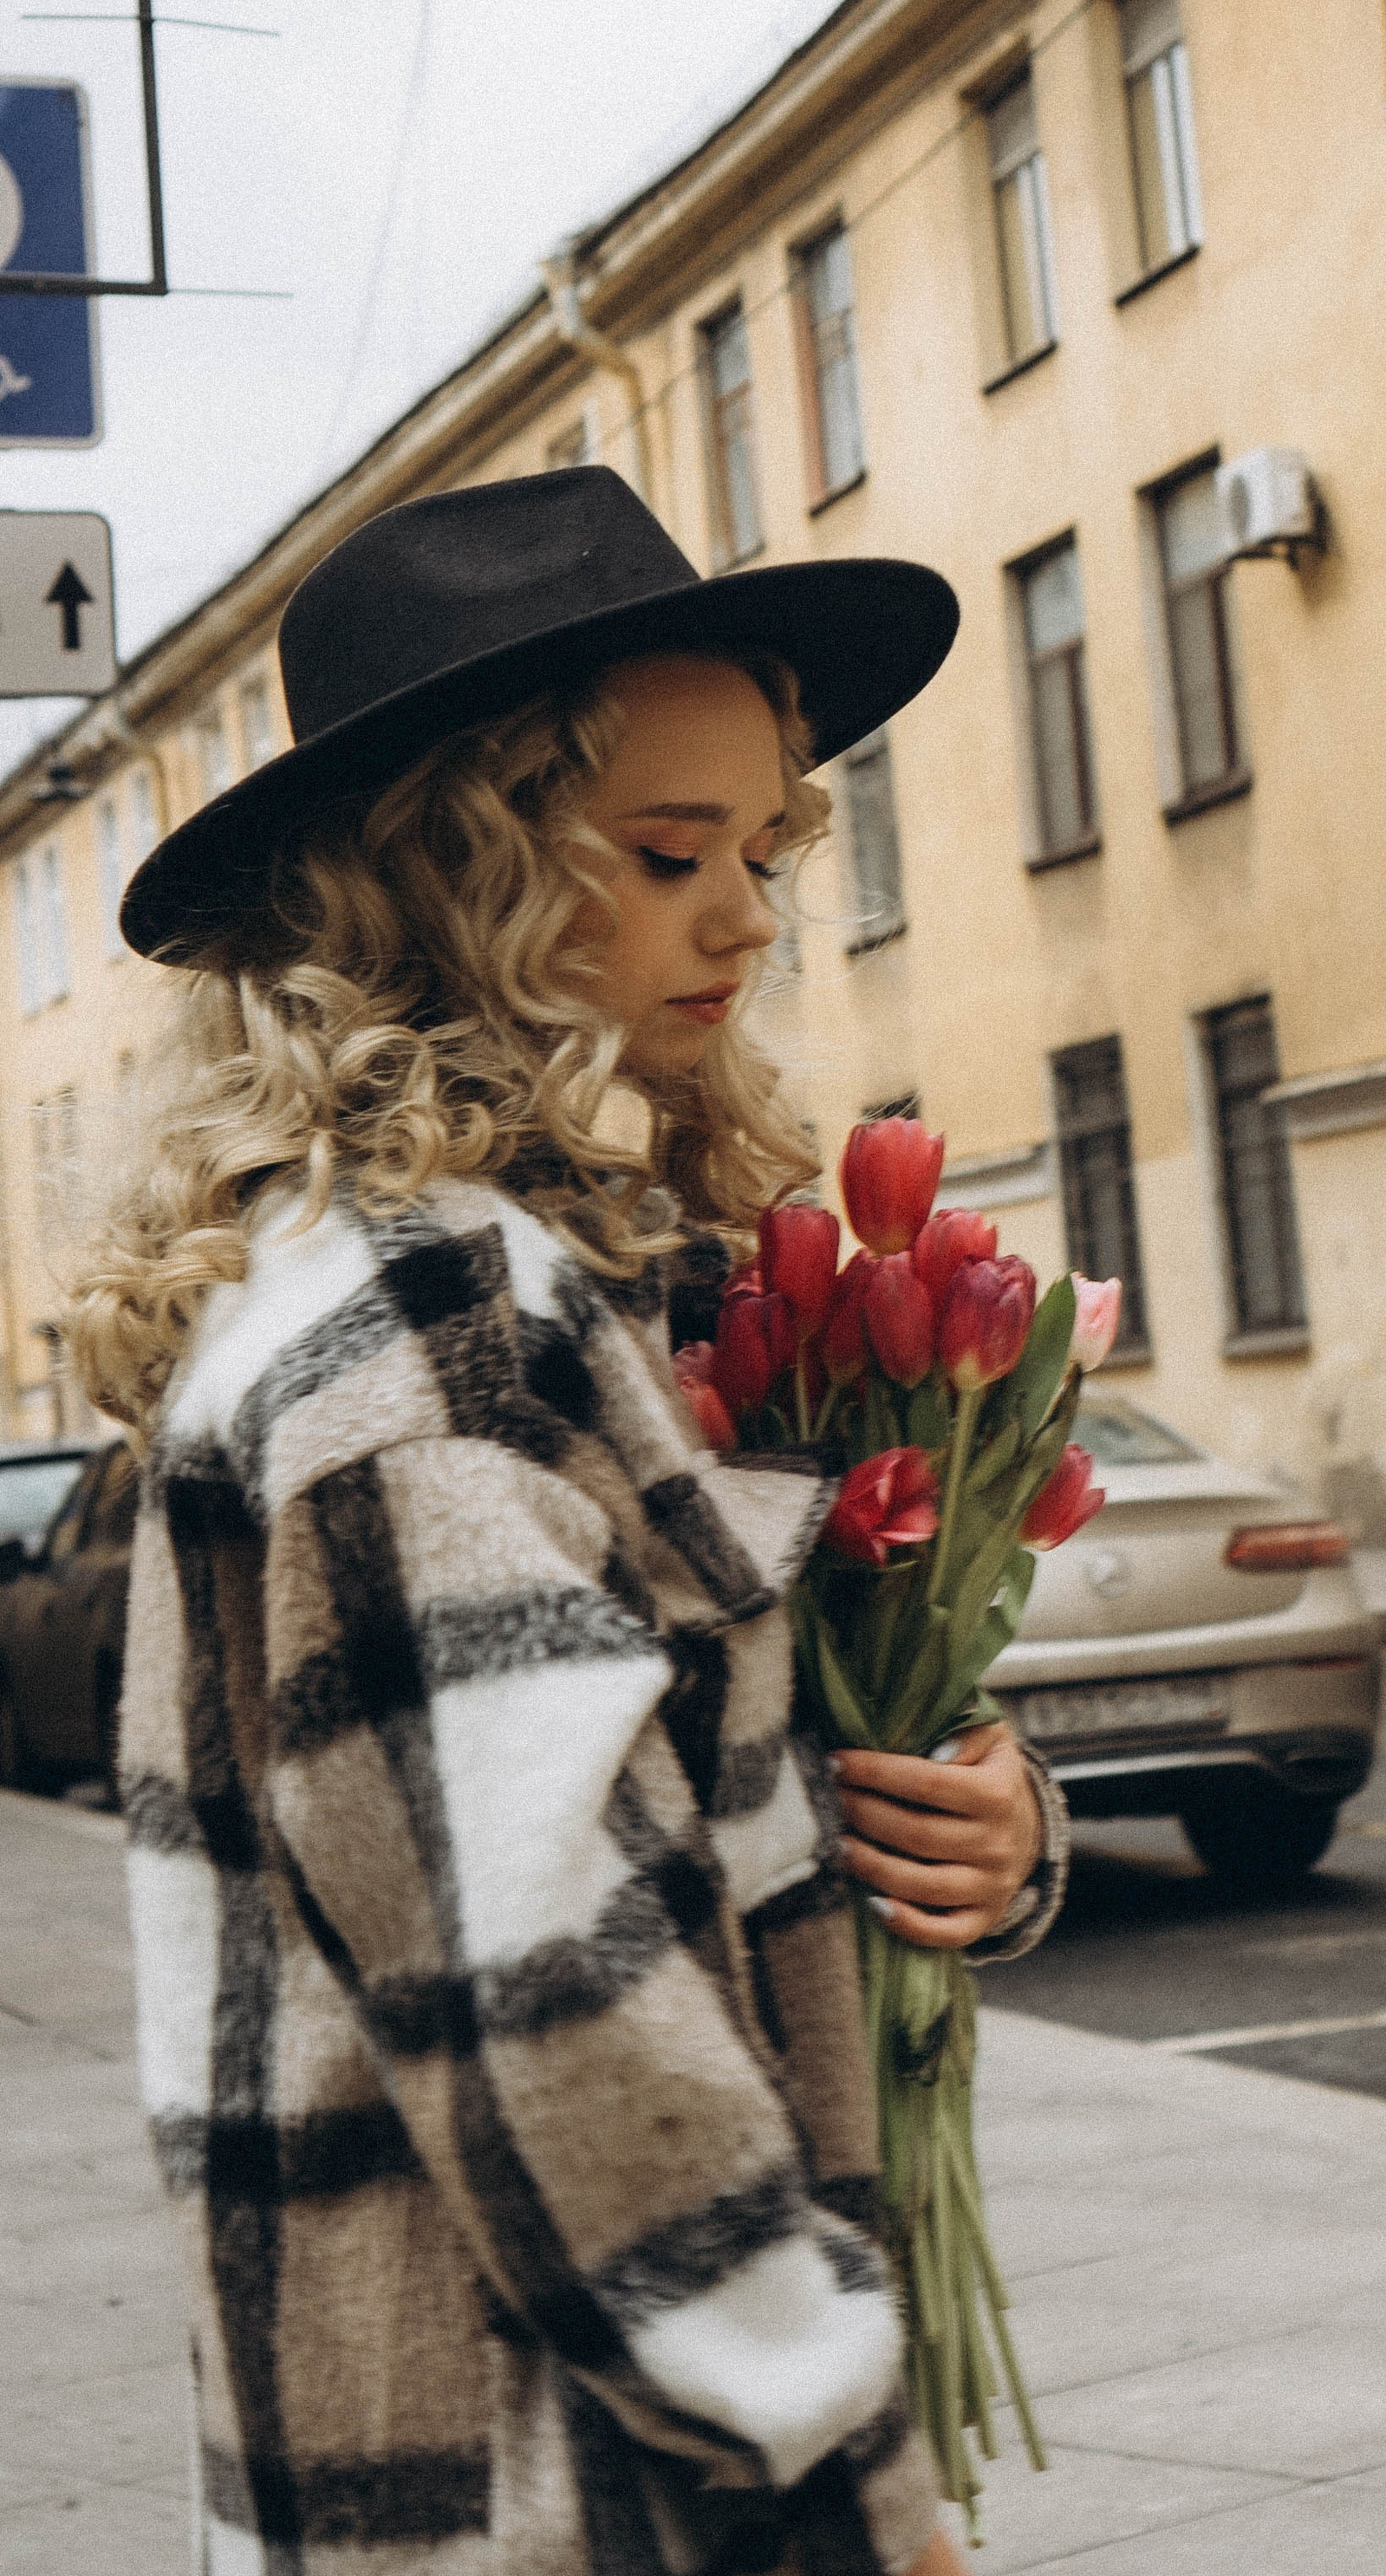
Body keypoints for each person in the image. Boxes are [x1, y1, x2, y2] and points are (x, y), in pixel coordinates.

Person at [68, 468, 1066, 2576]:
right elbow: (553, 1997)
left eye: (765, 847)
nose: (748, 915)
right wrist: (833, 2453)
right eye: (665, 852)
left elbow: (653, 1804)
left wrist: (990, 1828)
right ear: (454, 875)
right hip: (568, 2480)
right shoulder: (425, 1343)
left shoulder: (520, 1272)